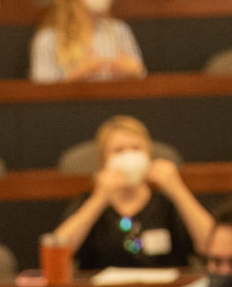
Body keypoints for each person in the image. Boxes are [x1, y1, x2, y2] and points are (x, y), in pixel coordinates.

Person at [51, 116, 212, 272]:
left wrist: (178, 190)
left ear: (149, 155)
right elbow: (57, 250)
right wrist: (99, 198)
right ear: (103, 160)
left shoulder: (167, 202)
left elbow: (211, 246)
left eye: (136, 148)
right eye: (119, 150)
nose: (129, 156)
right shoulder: (88, 202)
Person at [31, 0, 145, 83]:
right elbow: (41, 91)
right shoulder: (48, 38)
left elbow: (142, 76)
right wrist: (79, 74)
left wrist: (133, 71)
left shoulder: (120, 30)